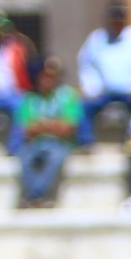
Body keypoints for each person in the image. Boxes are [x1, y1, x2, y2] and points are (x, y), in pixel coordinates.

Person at [76, 1, 131, 146]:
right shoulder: (97, 39)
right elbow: (86, 65)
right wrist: (91, 88)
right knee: (85, 106)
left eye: (120, 21)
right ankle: (86, 143)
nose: (117, 24)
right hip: (104, 93)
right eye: (114, 21)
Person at [12, 56, 82, 209]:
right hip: (35, 143)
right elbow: (27, 129)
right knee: (25, 157)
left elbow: (68, 128)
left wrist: (41, 125)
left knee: (55, 158)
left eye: (52, 77)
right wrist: (54, 125)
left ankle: (37, 197)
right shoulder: (30, 98)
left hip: (60, 143)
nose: (48, 80)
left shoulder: (68, 96)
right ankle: (34, 198)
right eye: (45, 76)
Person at [0, 14, 34, 125]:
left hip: (14, 94)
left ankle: (18, 137)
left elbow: (29, 69)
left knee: (23, 109)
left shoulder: (17, 48)